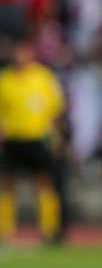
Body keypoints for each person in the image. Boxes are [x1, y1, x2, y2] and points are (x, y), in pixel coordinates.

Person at [0, 40, 65, 244]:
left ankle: (48, 229)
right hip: (12, 139)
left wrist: (57, 138)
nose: (19, 56)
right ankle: (5, 231)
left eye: (23, 51)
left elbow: (56, 110)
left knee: (45, 183)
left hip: (38, 138)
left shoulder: (43, 78)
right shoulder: (5, 80)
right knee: (7, 185)